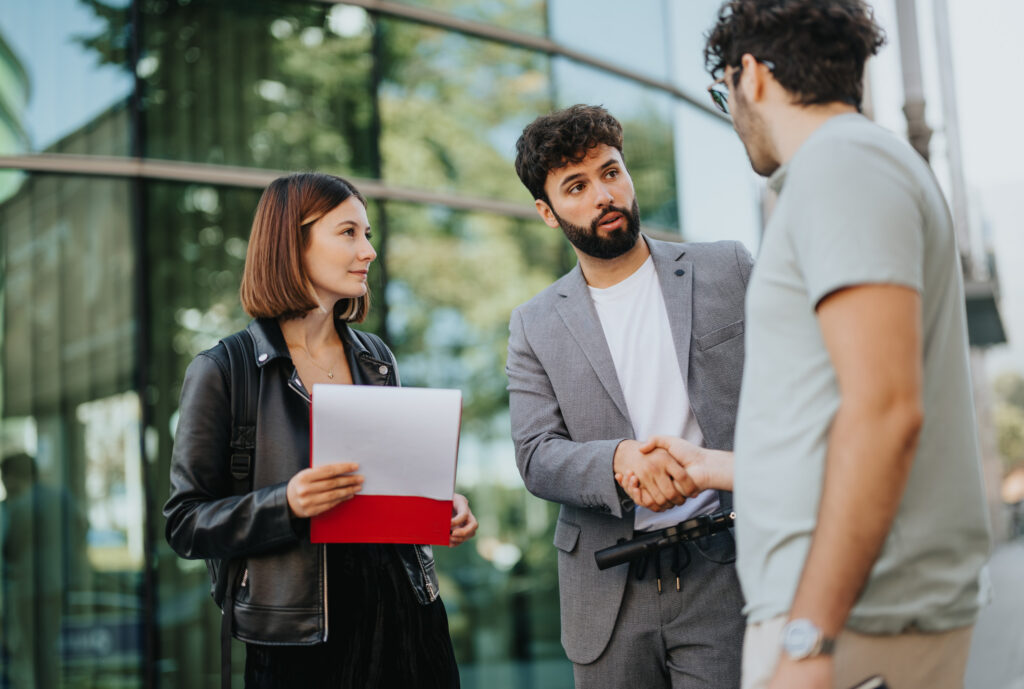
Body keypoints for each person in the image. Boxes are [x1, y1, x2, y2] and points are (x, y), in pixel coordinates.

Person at [627, 2, 991, 688]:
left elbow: (885, 412)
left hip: (852, 622)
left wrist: (807, 632)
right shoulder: (855, 167)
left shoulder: (841, 168)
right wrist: (710, 467)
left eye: (722, 93)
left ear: (752, 76)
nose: (729, 113)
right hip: (860, 616)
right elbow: (834, 428)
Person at [163, 172, 478, 689]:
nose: (369, 251)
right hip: (300, 642)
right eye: (349, 232)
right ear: (294, 244)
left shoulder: (375, 358)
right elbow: (185, 522)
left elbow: (385, 487)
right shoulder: (225, 369)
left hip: (407, 617)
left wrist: (437, 503)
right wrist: (285, 503)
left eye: (368, 234)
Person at [506, 104, 753, 688]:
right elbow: (536, 455)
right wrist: (618, 461)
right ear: (547, 212)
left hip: (727, 572)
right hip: (608, 590)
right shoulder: (533, 323)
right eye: (577, 186)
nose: (603, 195)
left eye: (611, 172)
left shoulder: (729, 270)